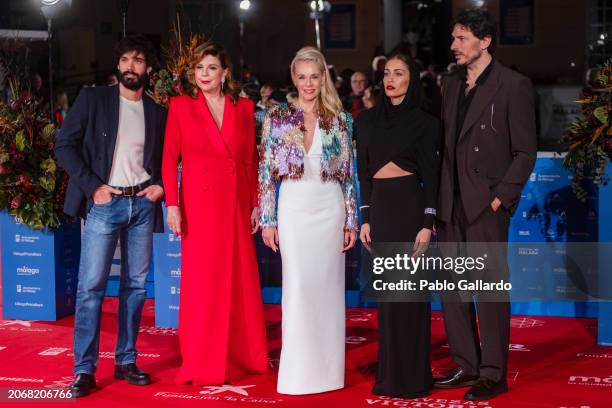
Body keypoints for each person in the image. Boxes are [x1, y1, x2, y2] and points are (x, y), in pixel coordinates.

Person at [55, 35, 167, 398]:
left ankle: (126, 360)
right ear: (117, 66)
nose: (130, 66)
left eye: (138, 60)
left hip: (142, 207)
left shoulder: (157, 111)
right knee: (90, 289)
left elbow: (167, 157)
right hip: (105, 204)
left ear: (148, 68)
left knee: (135, 288)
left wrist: (160, 185)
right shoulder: (93, 99)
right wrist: (93, 187)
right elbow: (64, 146)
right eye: (124, 60)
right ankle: (84, 369)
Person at [434, 9, 536, 401]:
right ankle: (466, 364)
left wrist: (500, 198)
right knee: (453, 288)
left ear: (485, 41)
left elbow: (525, 151)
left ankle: (493, 373)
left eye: (461, 38)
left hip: (485, 205)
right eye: (454, 38)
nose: (453, 46)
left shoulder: (513, 85)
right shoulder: (451, 84)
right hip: (450, 202)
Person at [162, 41, 268, 386]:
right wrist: (173, 207)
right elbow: (168, 159)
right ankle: (203, 359)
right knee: (202, 283)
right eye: (199, 69)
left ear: (225, 73)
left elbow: (250, 161)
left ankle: (243, 354)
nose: (204, 75)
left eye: (211, 68)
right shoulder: (180, 106)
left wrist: (255, 203)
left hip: (235, 206)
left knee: (239, 279)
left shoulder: (244, 108)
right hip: (199, 207)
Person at [258, 46, 358, 395]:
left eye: (314, 76)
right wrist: (268, 219)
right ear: (294, 78)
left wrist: (351, 220)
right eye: (302, 76)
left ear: (323, 77)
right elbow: (266, 173)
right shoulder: (277, 117)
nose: (308, 83)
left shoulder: (340, 119)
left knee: (328, 291)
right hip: (294, 208)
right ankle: (298, 374)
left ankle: (329, 373)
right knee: (297, 288)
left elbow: (349, 176)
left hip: (329, 208)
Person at [356, 54, 440, 399]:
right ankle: (389, 376)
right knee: (389, 301)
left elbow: (432, 176)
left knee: (411, 296)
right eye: (387, 73)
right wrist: (364, 217)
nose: (391, 78)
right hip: (381, 210)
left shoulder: (426, 123)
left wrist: (427, 223)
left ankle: (415, 378)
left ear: (412, 79)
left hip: (410, 208)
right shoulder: (366, 121)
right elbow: (363, 172)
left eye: (399, 73)